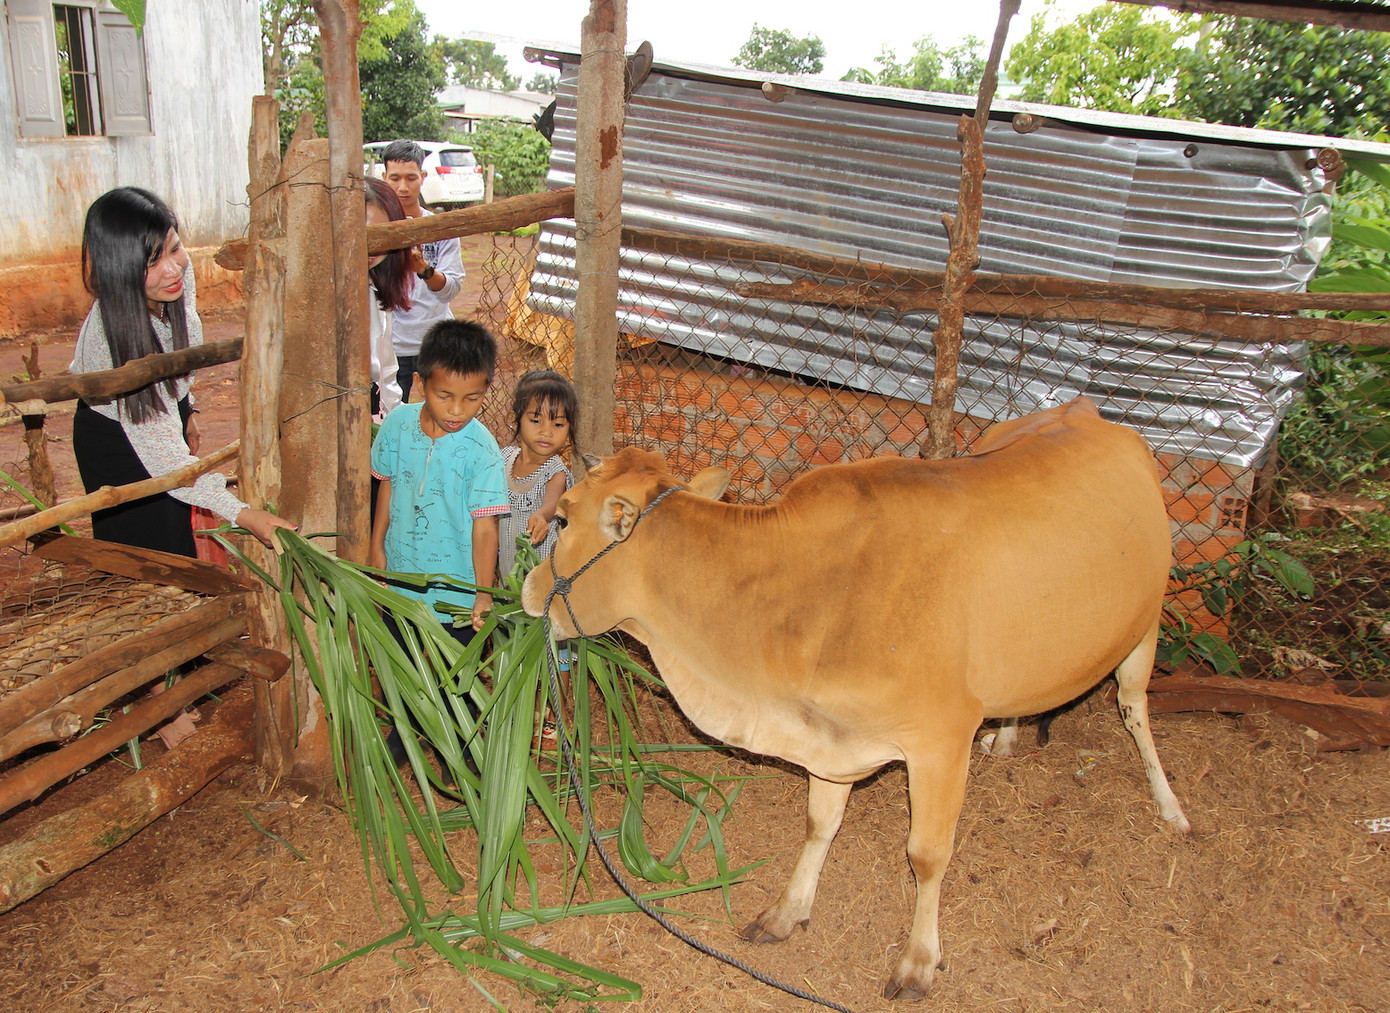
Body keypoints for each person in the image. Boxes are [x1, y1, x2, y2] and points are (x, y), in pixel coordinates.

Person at [71, 186, 295, 556]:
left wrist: (185, 408)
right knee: (150, 549)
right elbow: (168, 464)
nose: (173, 269)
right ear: (120, 270)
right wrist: (244, 514)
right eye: (151, 263)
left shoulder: (173, 282)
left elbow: (176, 353)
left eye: (175, 248)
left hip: (155, 408)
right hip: (117, 437)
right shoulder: (112, 343)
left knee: (178, 528)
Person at [369, 319, 507, 641]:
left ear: (486, 389)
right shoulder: (397, 426)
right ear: (420, 383)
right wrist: (377, 547)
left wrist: (483, 594)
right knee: (404, 675)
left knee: (456, 685)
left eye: (472, 398)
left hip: (457, 598)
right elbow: (386, 485)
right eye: (444, 396)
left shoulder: (483, 451)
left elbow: (486, 527)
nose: (457, 411)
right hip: (400, 583)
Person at [379, 139, 464, 404]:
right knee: (390, 419)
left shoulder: (440, 228)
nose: (403, 187)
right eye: (395, 178)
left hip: (435, 344)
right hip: (390, 348)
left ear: (423, 177)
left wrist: (423, 269)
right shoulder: (374, 231)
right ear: (384, 178)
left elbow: (451, 289)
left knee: (444, 412)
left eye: (411, 178)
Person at [498, 370, 579, 578]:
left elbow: (553, 502)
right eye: (536, 420)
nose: (547, 431)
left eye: (558, 424)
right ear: (516, 418)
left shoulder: (555, 471)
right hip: (508, 571)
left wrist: (542, 516)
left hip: (541, 578)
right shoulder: (504, 458)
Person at [365, 177, 410, 419]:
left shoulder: (375, 284)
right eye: (363, 235)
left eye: (381, 238)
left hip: (374, 409)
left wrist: (397, 419)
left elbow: (386, 369)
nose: (372, 248)